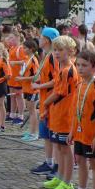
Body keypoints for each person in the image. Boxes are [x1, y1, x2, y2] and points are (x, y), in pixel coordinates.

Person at [63, 49, 95, 189]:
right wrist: (71, 131)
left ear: (94, 67)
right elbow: (76, 111)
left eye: (84, 65)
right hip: (80, 133)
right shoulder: (79, 84)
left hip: (93, 135)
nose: (80, 68)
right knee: (81, 161)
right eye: (78, 65)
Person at [41, 35, 79, 189]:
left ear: (70, 51)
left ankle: (67, 182)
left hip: (65, 115)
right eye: (55, 50)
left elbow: (59, 93)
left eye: (60, 50)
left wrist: (45, 104)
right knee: (58, 147)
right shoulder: (60, 69)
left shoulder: (68, 70)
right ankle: (60, 177)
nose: (56, 53)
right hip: (57, 114)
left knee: (65, 149)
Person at [30, 27, 61, 175]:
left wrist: (39, 86)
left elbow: (57, 80)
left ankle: (56, 164)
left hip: (50, 100)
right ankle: (49, 162)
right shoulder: (47, 55)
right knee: (46, 135)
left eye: (41, 37)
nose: (39, 39)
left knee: (52, 135)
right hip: (44, 100)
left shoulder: (53, 57)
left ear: (47, 40)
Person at [17, 39, 40, 142]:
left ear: (31, 49)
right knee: (30, 111)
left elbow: (36, 76)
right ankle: (31, 131)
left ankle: (34, 133)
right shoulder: (27, 59)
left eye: (25, 48)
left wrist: (22, 79)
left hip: (32, 89)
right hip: (26, 88)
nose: (23, 49)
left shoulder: (33, 60)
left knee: (32, 111)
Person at [6, 32, 26, 126]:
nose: (9, 40)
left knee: (19, 96)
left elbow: (25, 61)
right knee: (12, 96)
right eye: (9, 38)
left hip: (18, 77)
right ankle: (12, 114)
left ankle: (21, 116)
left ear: (17, 38)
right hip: (11, 77)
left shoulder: (20, 49)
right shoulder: (11, 48)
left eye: (11, 38)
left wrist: (15, 63)